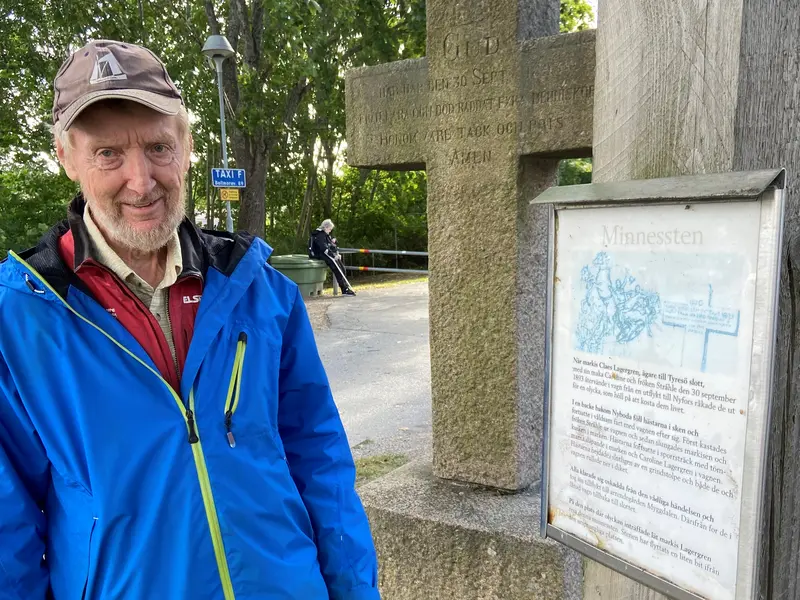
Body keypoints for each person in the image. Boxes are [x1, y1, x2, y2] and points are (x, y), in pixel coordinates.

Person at [0, 39, 379, 599]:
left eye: (158, 147)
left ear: (188, 145)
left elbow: (320, 463)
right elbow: (7, 533)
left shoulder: (261, 292)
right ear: (66, 156)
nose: (141, 181)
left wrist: (354, 591)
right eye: (108, 154)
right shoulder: (19, 320)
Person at [309, 219, 356, 296]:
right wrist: (333, 256)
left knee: (342, 268)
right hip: (321, 255)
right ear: (325, 227)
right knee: (338, 269)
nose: (330, 231)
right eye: (330, 229)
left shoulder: (325, 234)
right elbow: (324, 248)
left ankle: (346, 288)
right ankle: (344, 289)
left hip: (326, 254)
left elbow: (331, 245)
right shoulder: (320, 235)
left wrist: (336, 253)